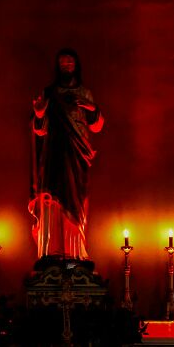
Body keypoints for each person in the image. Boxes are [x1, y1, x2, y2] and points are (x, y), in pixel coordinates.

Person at [29, 48, 104, 261]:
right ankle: (51, 254)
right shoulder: (50, 93)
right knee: (52, 200)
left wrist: (91, 107)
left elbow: (97, 127)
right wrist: (40, 113)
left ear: (76, 66)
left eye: (70, 63)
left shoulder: (85, 93)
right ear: (58, 66)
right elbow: (39, 130)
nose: (66, 66)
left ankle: (74, 257)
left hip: (77, 153)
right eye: (63, 63)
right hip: (54, 153)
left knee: (76, 202)